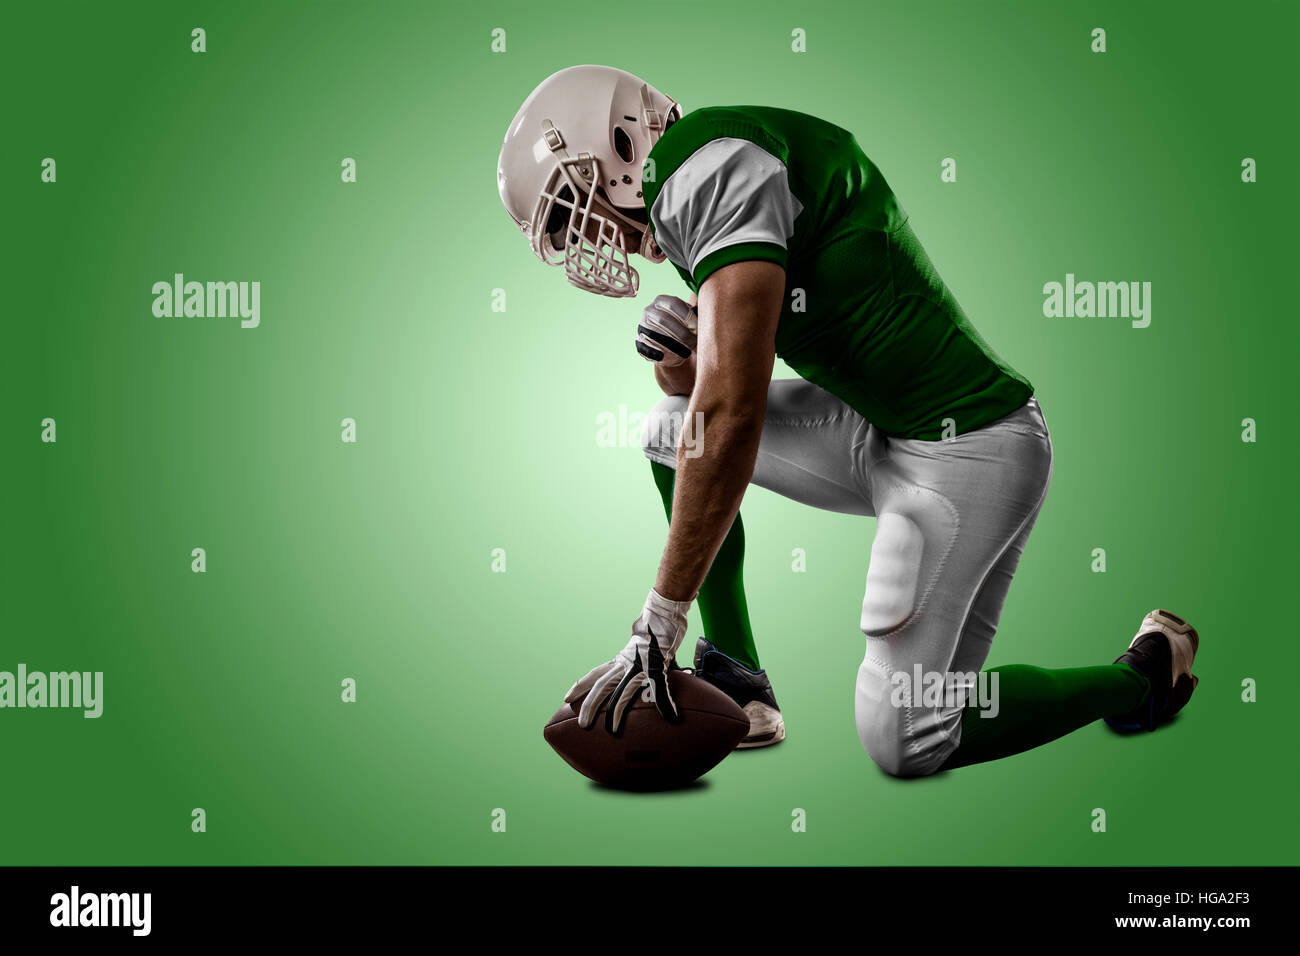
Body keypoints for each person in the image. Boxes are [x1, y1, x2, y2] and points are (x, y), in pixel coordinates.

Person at [496, 65, 1199, 776]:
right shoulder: (697, 187)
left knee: (909, 736)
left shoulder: (703, 165)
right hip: (881, 427)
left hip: (972, 446)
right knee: (666, 428)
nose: (587, 237)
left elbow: (732, 409)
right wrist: (679, 353)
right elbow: (701, 390)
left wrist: (660, 618)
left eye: (569, 206)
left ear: (618, 141)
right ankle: (738, 672)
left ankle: (1141, 679)